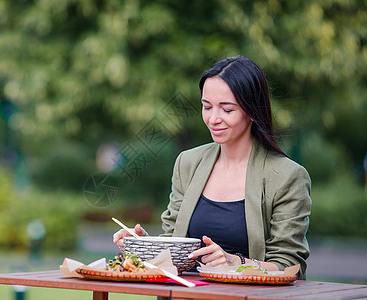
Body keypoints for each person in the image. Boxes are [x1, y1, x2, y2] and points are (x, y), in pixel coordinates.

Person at [113, 55, 311, 279]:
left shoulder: (286, 176)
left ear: (252, 112)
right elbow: (173, 241)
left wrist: (234, 262)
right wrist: (143, 245)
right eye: (207, 107)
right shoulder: (188, 163)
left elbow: (290, 265)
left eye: (227, 110)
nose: (213, 119)